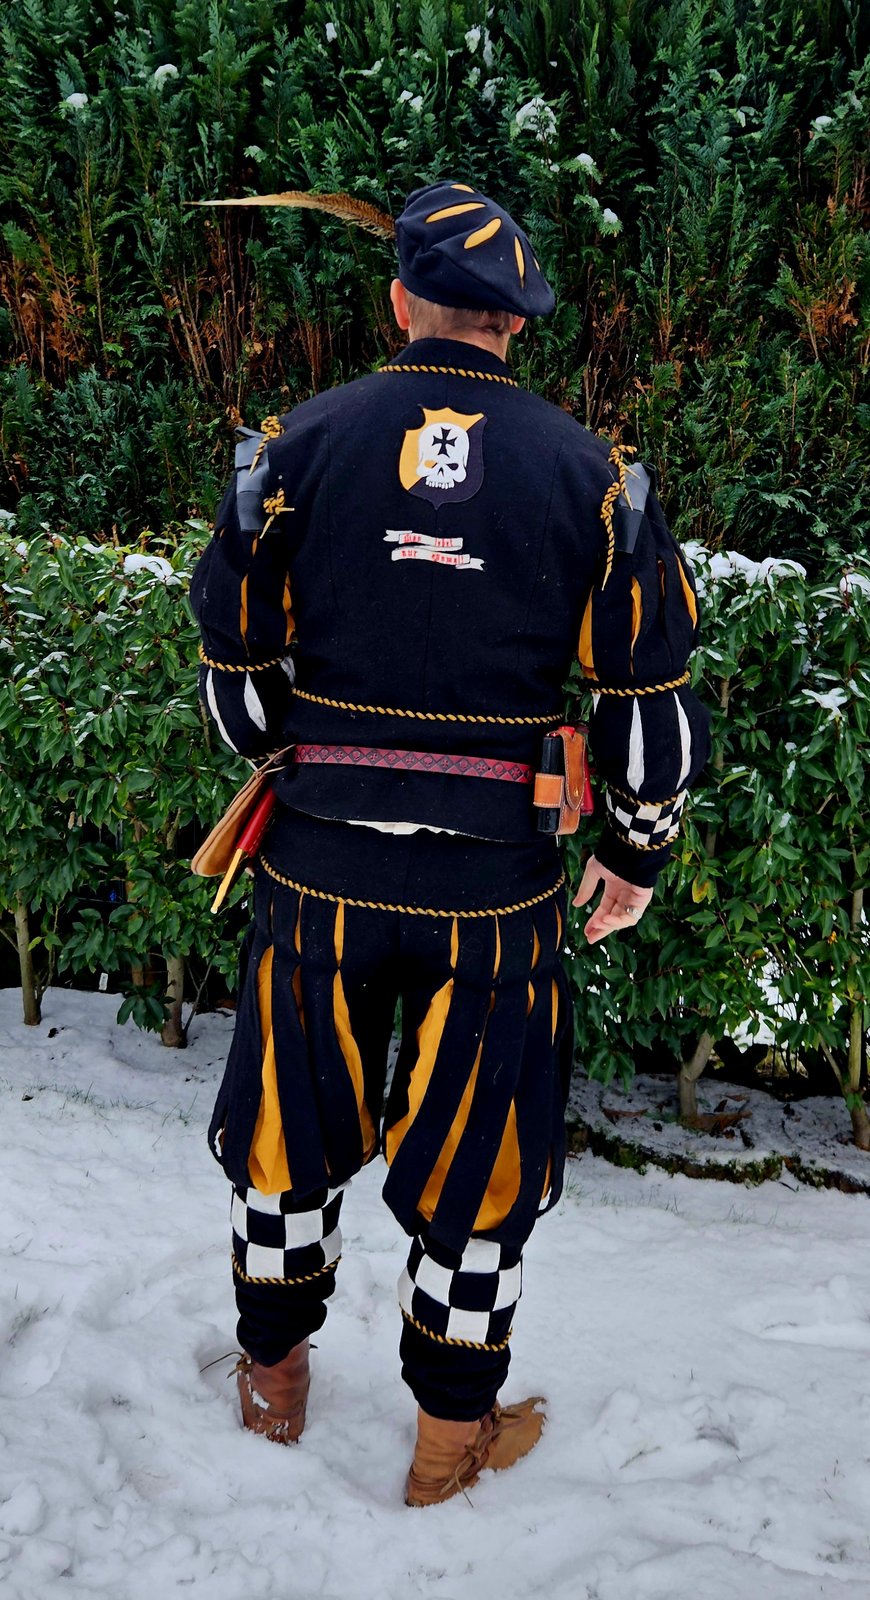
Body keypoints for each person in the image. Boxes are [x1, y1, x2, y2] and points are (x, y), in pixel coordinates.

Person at [191, 180, 710, 1505]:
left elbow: (239, 700)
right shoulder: (596, 478)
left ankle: (273, 1383)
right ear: (515, 326)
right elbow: (647, 701)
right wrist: (635, 854)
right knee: (480, 1162)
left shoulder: (294, 447)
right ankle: (445, 1444)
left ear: (399, 303)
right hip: (494, 891)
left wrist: (310, 762)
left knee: (286, 1132)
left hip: (318, 873)